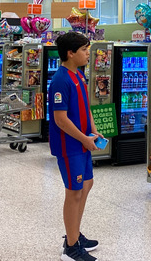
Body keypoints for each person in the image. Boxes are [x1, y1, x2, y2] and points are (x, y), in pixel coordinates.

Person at [49, 32, 102, 261]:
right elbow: (60, 119)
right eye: (84, 50)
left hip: (83, 141)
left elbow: (85, 107)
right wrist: (83, 138)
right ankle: (71, 247)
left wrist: (93, 129)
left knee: (86, 185)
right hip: (70, 145)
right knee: (74, 192)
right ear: (70, 53)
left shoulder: (78, 75)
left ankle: (74, 234)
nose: (88, 53)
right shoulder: (61, 80)